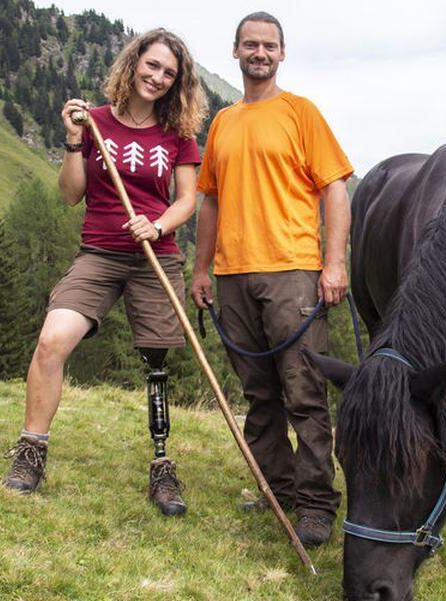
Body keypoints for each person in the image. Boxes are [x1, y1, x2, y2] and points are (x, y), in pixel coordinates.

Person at [1, 28, 205, 517]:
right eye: (151, 65)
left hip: (156, 257)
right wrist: (75, 142)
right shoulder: (92, 123)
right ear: (133, 63)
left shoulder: (178, 135)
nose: (156, 78)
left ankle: (162, 467)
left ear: (178, 83)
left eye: (168, 73)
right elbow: (71, 194)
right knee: (51, 342)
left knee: (156, 364)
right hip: (99, 254)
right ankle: (31, 451)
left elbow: (187, 202)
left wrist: (155, 226)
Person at [191, 12, 353, 546]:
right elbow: (208, 199)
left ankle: (315, 504)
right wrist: (201, 267)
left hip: (293, 273)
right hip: (233, 277)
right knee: (260, 396)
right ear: (234, 52)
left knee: (304, 393)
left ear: (282, 53)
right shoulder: (222, 123)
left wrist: (334, 264)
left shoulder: (300, 112)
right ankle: (277, 489)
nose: (259, 53)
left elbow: (334, 190)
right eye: (249, 45)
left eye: (269, 45)